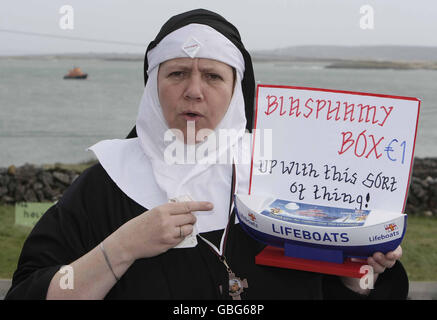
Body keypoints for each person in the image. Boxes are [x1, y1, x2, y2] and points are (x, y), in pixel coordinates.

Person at [5, 9, 408, 300]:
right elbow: (28, 292)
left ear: (236, 91)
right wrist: (122, 247)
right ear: (153, 87)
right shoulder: (106, 184)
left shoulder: (286, 179)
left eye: (213, 76)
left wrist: (357, 281)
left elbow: (346, 286)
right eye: (177, 73)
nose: (194, 91)